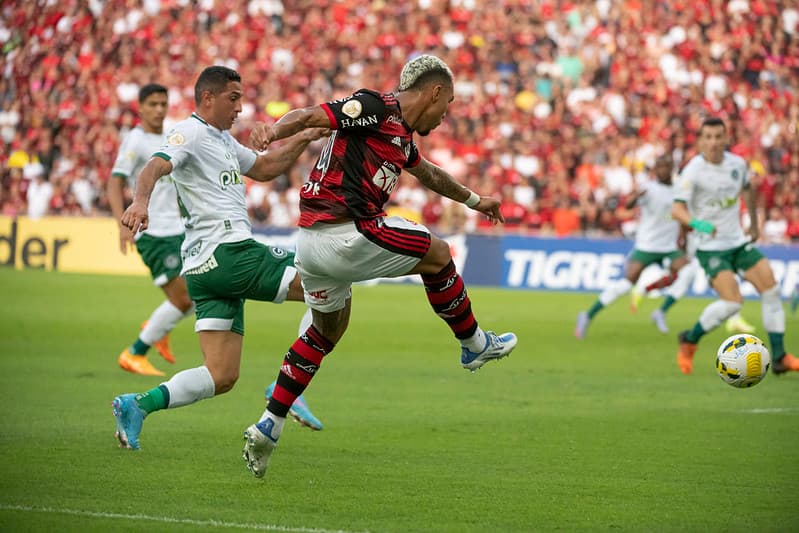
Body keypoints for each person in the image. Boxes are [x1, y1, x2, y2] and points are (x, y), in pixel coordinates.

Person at [241, 54, 518, 479]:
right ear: (435, 92)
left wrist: (476, 201)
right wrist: (272, 131)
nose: (447, 115)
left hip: (312, 244)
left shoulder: (401, 137)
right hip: (346, 230)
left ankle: (268, 426)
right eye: (449, 103)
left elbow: (429, 174)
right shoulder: (376, 108)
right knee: (439, 254)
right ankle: (475, 344)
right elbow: (313, 115)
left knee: (325, 332)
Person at [112, 66, 329, 450]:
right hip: (230, 252)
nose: (241, 108)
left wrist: (305, 137)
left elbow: (264, 167)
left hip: (202, 270)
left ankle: (137, 406)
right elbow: (155, 165)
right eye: (234, 98)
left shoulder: (224, 141)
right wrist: (140, 202)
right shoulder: (190, 132)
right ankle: (290, 387)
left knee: (222, 375)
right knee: (327, 280)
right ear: (207, 98)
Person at [671, 117, 798, 375]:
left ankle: (780, 357)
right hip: (709, 247)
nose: (714, 142)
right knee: (733, 304)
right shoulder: (693, 170)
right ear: (701, 140)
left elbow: (748, 189)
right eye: (708, 137)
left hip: (737, 241)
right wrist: (698, 224)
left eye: (718, 137)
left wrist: (752, 222)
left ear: (725, 138)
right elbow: (676, 209)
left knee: (772, 290)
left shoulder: (737, 164)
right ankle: (690, 339)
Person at [108, 83, 194, 377]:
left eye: (162, 104)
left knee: (200, 289)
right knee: (185, 299)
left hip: (179, 229)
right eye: (153, 104)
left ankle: (159, 326)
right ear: (141, 107)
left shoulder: (172, 134)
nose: (159, 110)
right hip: (153, 233)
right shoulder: (136, 140)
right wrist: (122, 223)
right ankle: (135, 351)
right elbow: (114, 181)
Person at [575, 154, 692, 338]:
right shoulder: (649, 188)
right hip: (647, 245)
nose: (661, 170)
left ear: (671, 168)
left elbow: (683, 216)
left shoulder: (679, 190)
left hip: (669, 246)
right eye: (658, 167)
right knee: (626, 283)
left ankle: (660, 311)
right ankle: (588, 315)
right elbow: (629, 205)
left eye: (665, 166)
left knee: (687, 272)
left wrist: (684, 241)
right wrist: (635, 197)